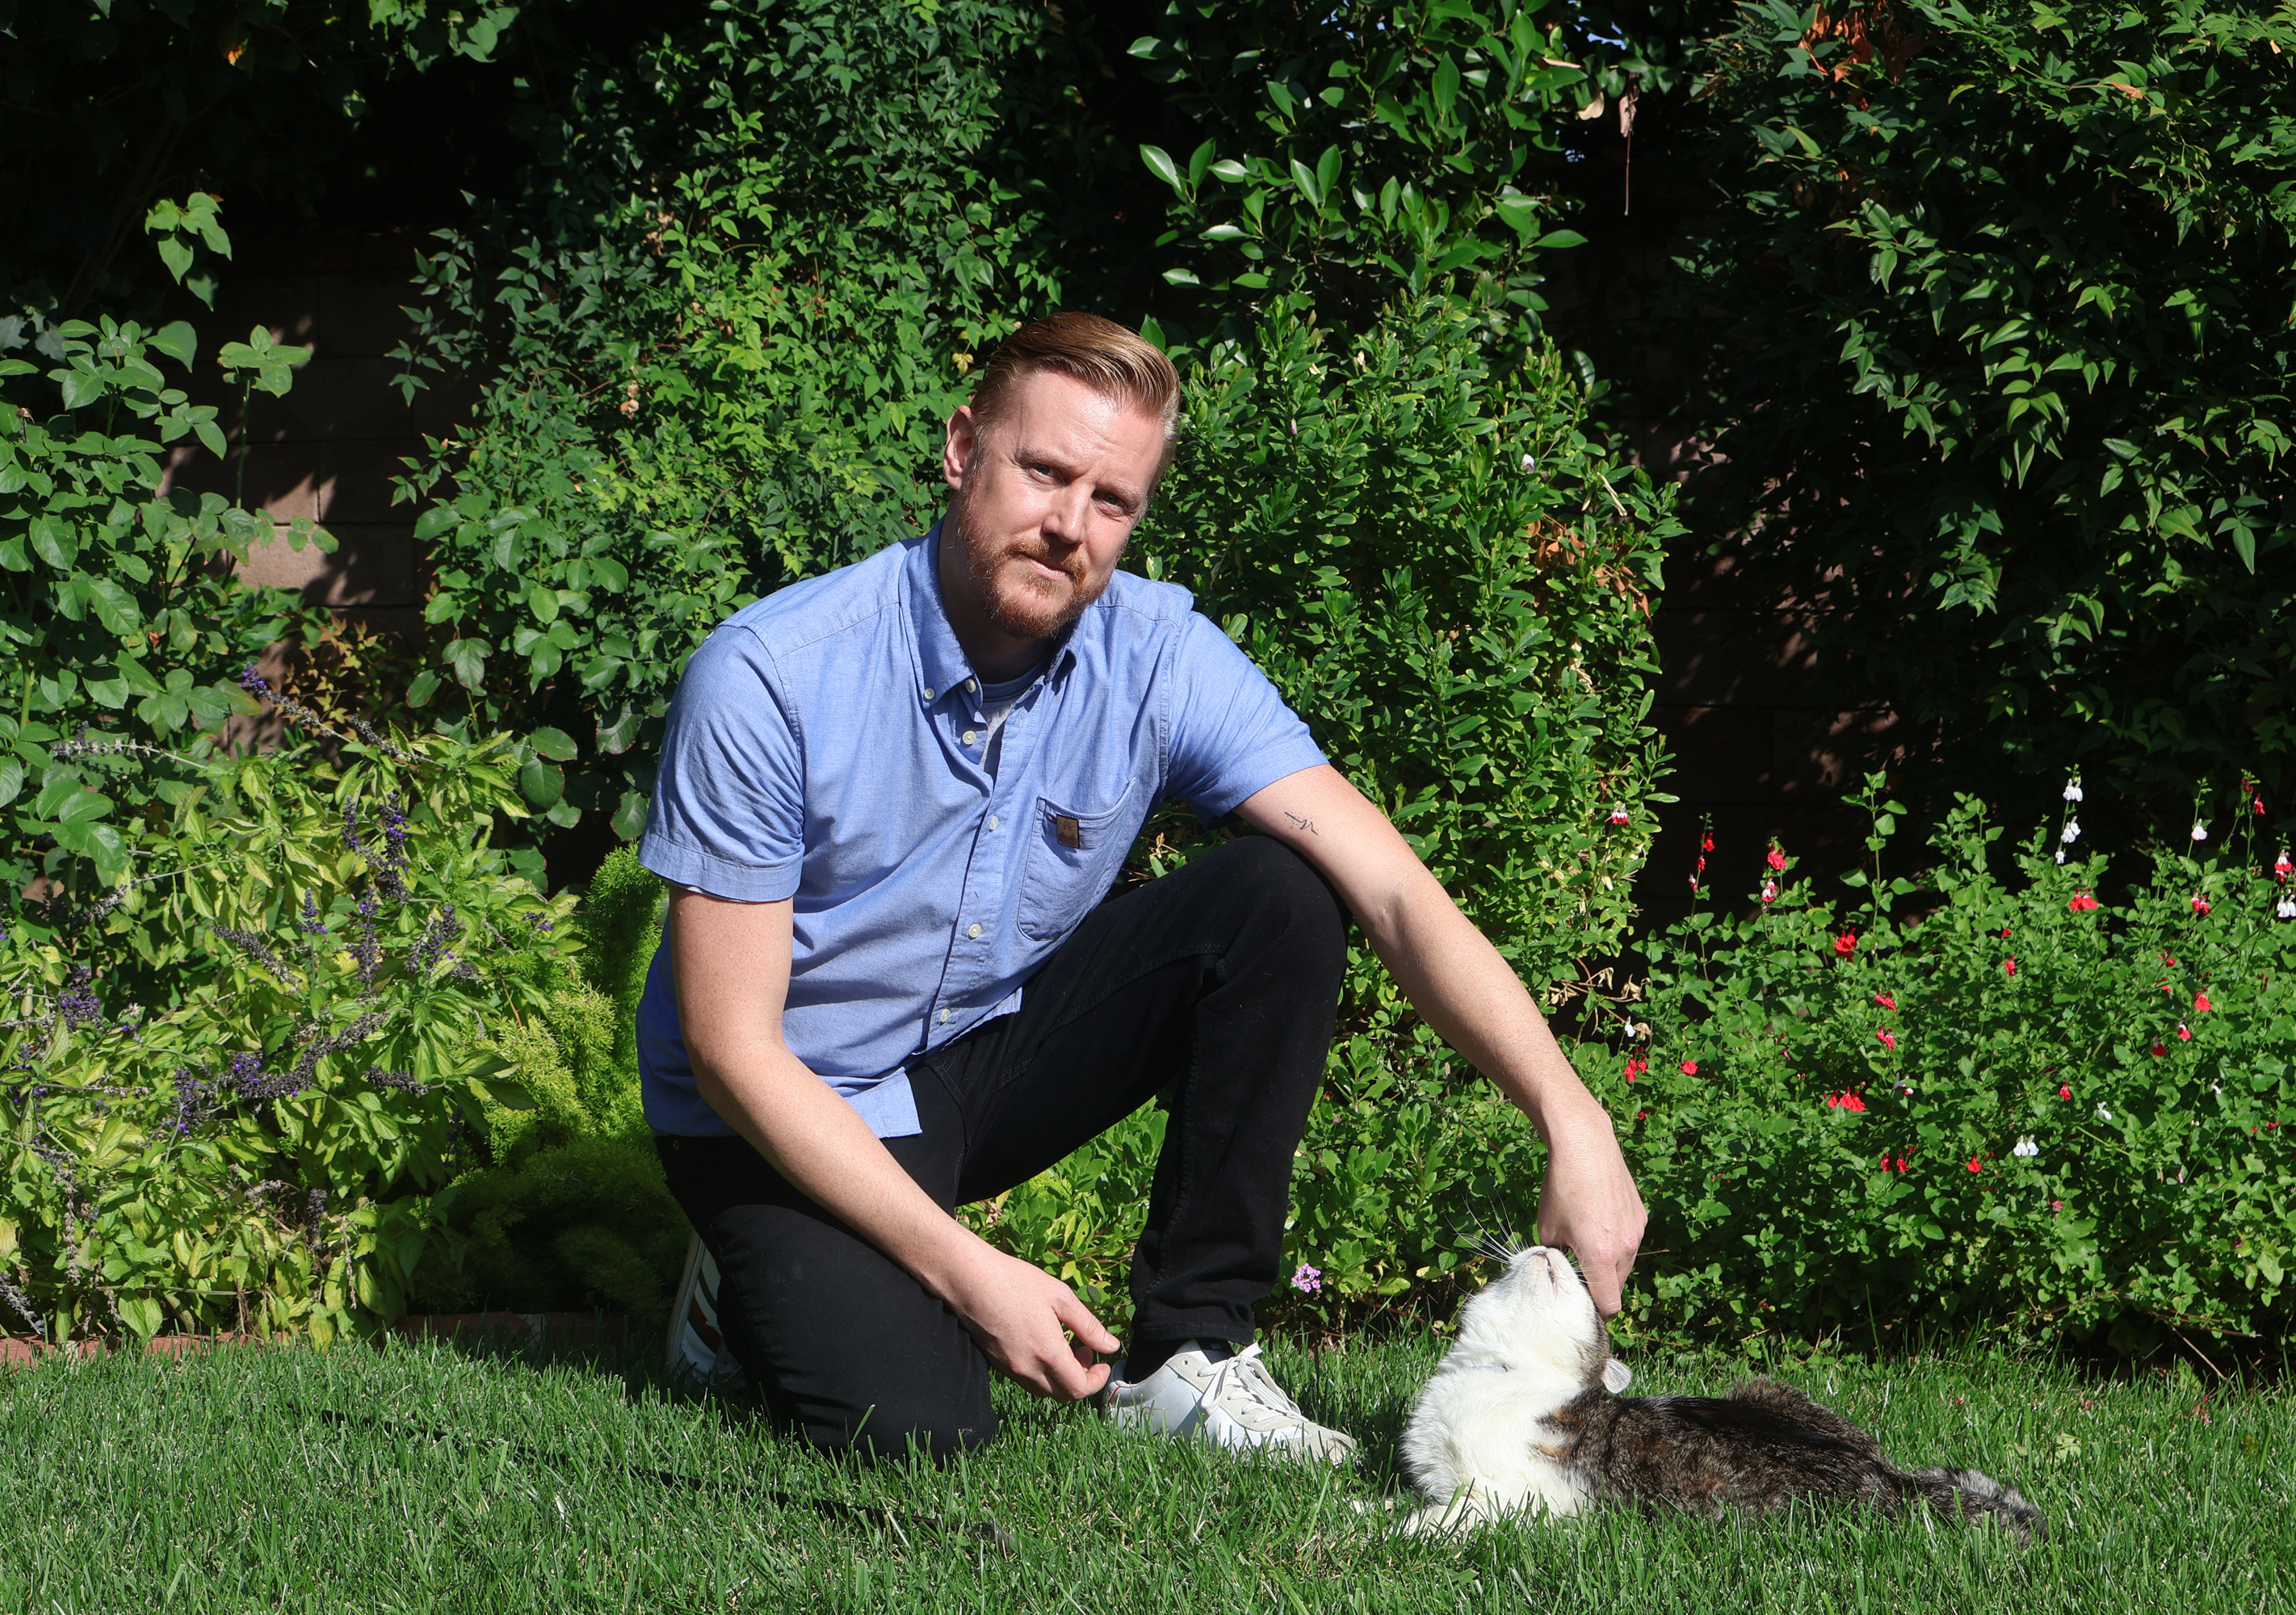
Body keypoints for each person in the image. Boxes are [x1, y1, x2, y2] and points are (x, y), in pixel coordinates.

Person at [636, 312, 1647, 1463]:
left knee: (1282, 893)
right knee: (918, 1432)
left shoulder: (1156, 654)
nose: (1070, 524)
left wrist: (1574, 1119)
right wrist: (974, 1273)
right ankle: (732, 1287)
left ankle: (1189, 1356)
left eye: (1111, 501)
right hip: (769, 1106)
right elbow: (732, 1049)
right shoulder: (772, 677)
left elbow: (1395, 892)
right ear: (964, 448)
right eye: (1045, 472)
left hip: (968, 1058)